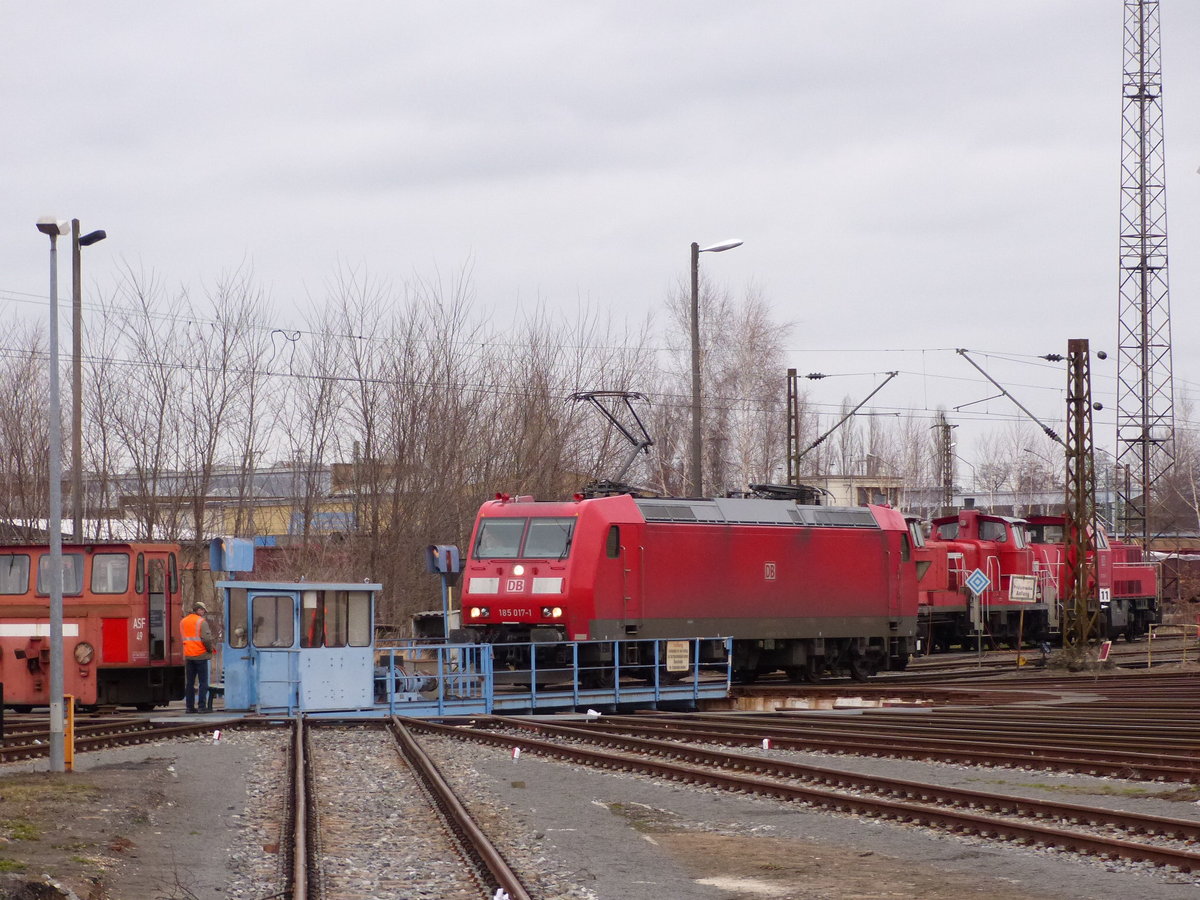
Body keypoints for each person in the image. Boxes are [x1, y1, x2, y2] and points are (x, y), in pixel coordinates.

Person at [180, 601, 216, 713]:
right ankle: (202, 706)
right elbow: (206, 639)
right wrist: (210, 649)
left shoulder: (183, 621)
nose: (204, 612)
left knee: (190, 683)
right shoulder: (201, 622)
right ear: (199, 610)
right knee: (203, 682)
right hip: (200, 655)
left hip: (188, 655)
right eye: (203, 610)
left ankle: (189, 707)